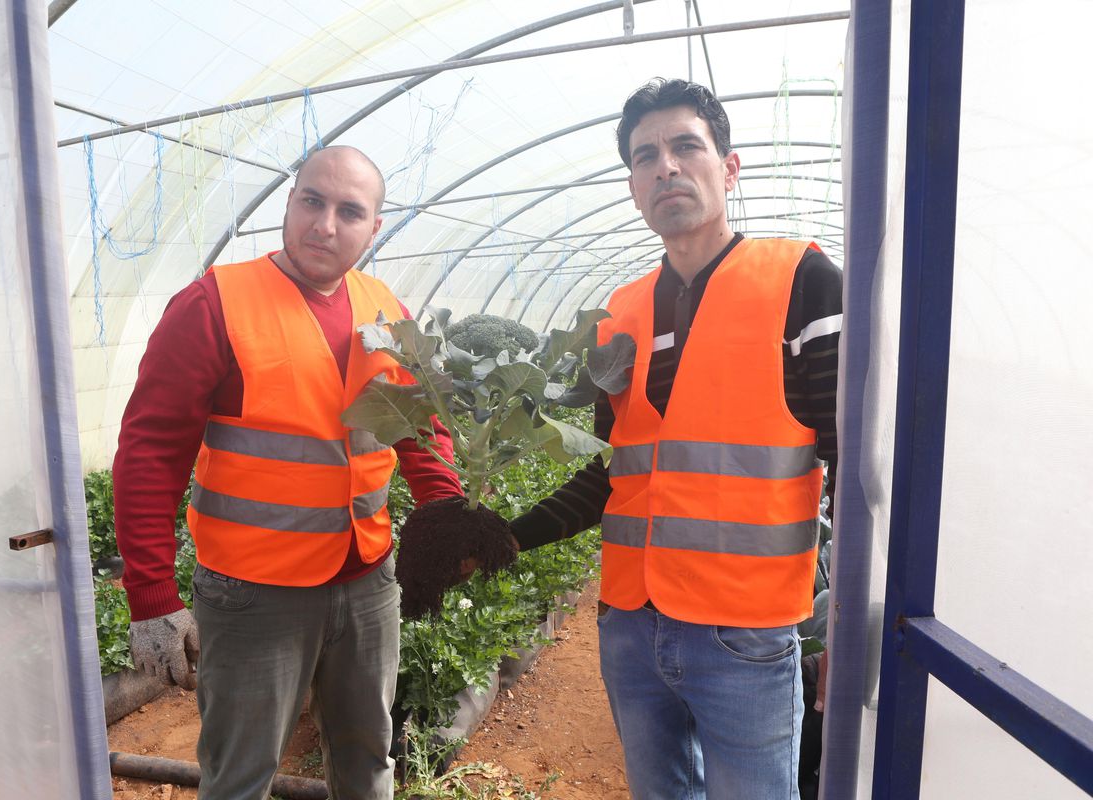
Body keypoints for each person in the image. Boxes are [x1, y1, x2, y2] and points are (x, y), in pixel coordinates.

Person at [507, 79, 841, 798]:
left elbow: (855, 465)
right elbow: (613, 473)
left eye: (687, 146)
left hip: (744, 635)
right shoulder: (619, 314)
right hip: (629, 627)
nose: (666, 166)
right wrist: (506, 537)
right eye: (645, 156)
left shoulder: (802, 282)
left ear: (729, 167)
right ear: (633, 187)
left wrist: (847, 615)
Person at [113, 145, 465, 800]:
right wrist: (151, 596)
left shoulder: (384, 306)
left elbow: (419, 425)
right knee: (240, 775)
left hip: (368, 580)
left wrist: (445, 509)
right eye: (312, 201)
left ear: (373, 228)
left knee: (368, 760)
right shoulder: (214, 304)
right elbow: (150, 452)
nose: (325, 225)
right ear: (290, 202)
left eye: (349, 212)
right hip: (253, 593)